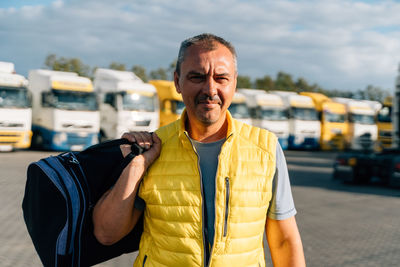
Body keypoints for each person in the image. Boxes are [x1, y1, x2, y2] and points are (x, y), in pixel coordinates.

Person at [93, 33, 306, 267]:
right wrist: (135, 167)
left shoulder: (265, 149)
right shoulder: (150, 149)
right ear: (177, 82)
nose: (210, 89)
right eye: (197, 77)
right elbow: (107, 233)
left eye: (221, 78)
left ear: (234, 83)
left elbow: (284, 240)